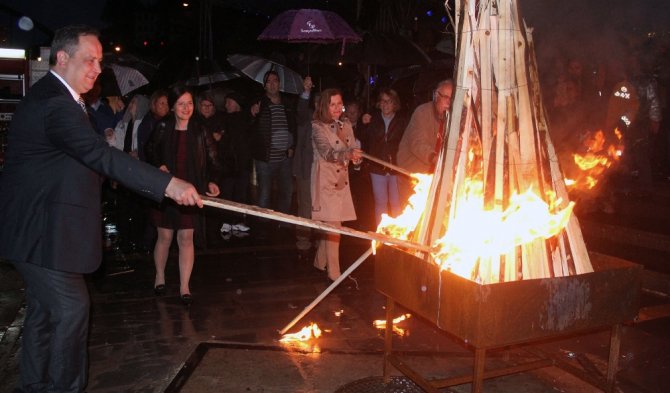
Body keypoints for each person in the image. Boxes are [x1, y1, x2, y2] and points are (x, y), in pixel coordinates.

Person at [0, 25, 202, 393]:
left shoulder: (68, 102)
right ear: (62, 58)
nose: (97, 68)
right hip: (40, 230)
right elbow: (95, 154)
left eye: (100, 61)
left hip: (44, 231)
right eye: (89, 60)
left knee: (47, 316)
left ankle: (35, 385)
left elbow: (84, 157)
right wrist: (168, 184)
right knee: (71, 310)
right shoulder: (54, 103)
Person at [148, 85, 221, 305]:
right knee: (165, 236)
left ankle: (184, 286)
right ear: (172, 106)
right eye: (181, 103)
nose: (186, 107)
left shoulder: (200, 129)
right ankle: (160, 276)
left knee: (186, 237)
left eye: (189, 103)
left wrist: (212, 180)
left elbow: (213, 159)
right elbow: (149, 150)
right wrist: (158, 165)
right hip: (167, 190)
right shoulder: (162, 126)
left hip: (190, 190)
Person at [311, 88, 363, 281]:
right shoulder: (317, 127)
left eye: (339, 104)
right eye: (332, 104)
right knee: (334, 226)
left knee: (332, 223)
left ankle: (319, 261)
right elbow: (328, 154)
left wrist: (356, 158)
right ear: (325, 105)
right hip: (325, 180)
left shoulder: (346, 124)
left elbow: (351, 149)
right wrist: (348, 155)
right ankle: (335, 274)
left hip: (341, 181)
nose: (336, 108)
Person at [250, 70, 297, 217]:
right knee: (264, 194)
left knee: (286, 191)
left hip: (284, 158)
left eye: (275, 80)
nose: (272, 84)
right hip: (265, 158)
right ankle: (262, 228)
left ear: (279, 84)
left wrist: (292, 147)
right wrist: (252, 114)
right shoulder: (259, 103)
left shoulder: (288, 104)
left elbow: (293, 127)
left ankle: (282, 223)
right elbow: (249, 128)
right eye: (268, 81)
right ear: (264, 86)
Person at [397, 79, 453, 199]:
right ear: (436, 96)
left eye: (452, 99)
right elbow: (417, 143)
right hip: (413, 173)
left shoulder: (452, 117)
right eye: (446, 97)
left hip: (435, 175)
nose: (449, 102)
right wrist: (434, 158)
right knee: (413, 212)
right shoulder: (422, 112)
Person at [360, 88, 409, 225]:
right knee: (380, 203)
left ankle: (396, 238)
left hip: (396, 168)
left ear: (395, 104)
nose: (385, 104)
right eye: (382, 101)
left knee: (396, 203)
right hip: (377, 167)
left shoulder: (402, 121)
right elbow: (362, 138)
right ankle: (380, 237)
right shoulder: (372, 119)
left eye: (389, 101)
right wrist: (363, 125)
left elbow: (407, 142)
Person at [216, 91, 253, 235]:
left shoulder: (245, 118)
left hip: (243, 163)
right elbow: (218, 137)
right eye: (226, 102)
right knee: (227, 192)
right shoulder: (223, 118)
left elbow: (249, 138)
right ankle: (226, 222)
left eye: (229, 102)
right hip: (228, 163)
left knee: (241, 193)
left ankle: (237, 221)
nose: (226, 105)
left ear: (237, 103)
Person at [293, 76, 316, 250]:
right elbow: (301, 110)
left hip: (324, 170)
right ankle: (303, 239)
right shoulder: (306, 118)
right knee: (305, 204)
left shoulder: (333, 121)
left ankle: (322, 240)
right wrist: (306, 91)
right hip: (306, 168)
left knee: (321, 205)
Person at [137, 89, 169, 162]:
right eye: (162, 103)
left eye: (167, 103)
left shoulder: (169, 121)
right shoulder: (147, 123)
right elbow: (144, 150)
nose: (165, 106)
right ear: (154, 104)